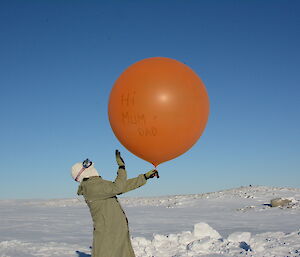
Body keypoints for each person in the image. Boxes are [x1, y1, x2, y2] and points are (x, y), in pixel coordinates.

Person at [71, 150, 158, 257]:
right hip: (109, 232)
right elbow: (118, 187)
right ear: (84, 172)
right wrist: (121, 167)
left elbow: (121, 187)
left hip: (113, 230)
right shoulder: (92, 186)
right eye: (90, 167)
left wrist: (144, 177)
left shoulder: (94, 185)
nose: (94, 169)